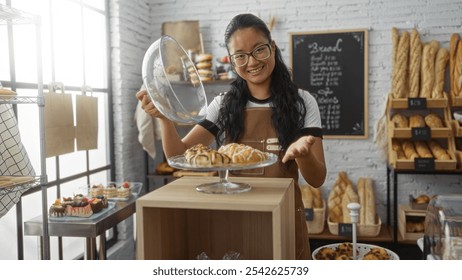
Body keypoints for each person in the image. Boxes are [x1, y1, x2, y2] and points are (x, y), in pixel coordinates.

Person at [136, 13, 326, 259]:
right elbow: (178, 156)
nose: (252, 61)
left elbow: (317, 178)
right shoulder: (223, 105)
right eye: (240, 56)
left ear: (272, 48)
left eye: (259, 50)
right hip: (234, 218)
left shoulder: (303, 102)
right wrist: (164, 116)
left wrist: (303, 154)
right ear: (233, 62)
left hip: (284, 218)